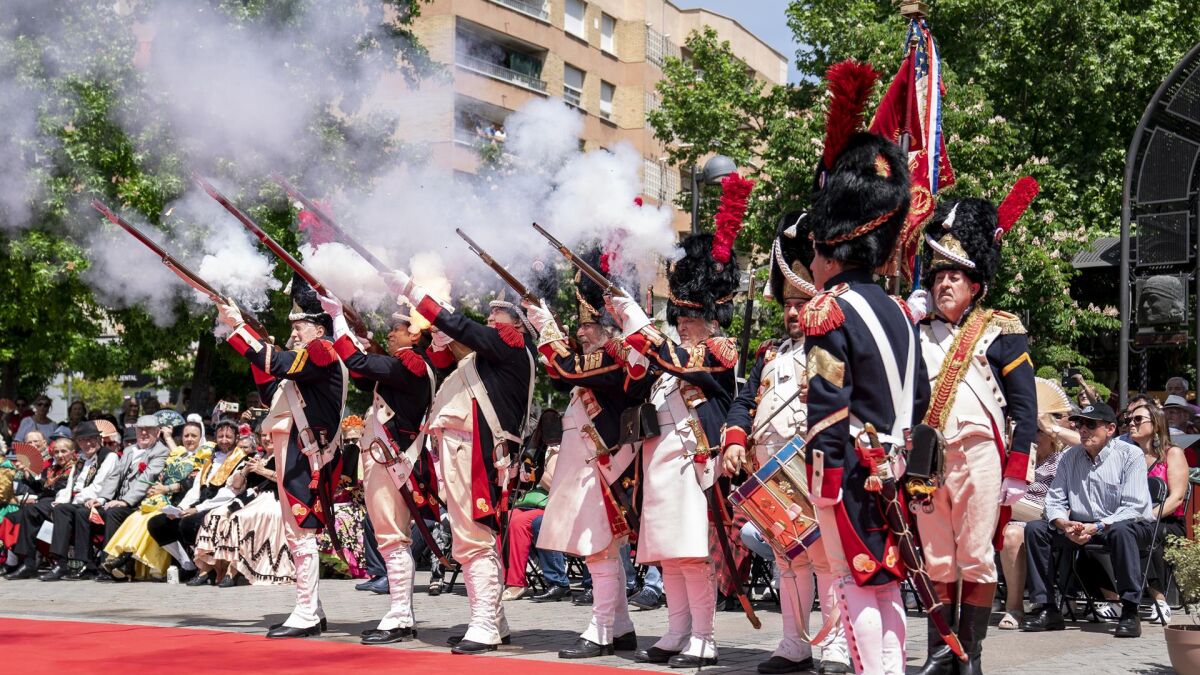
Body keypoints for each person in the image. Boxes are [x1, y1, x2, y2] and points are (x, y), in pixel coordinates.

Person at [800, 61, 929, 675]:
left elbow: (827, 404)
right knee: (887, 583)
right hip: (896, 465)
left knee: (853, 584)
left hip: (850, 470)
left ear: (832, 251)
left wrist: (823, 478)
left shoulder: (828, 310)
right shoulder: (901, 312)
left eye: (815, 253)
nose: (811, 266)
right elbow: (920, 396)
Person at [905, 178, 1040, 675]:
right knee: (937, 557)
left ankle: (971, 654)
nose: (944, 284)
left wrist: (1018, 468)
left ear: (975, 285)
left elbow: (1025, 407)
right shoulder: (914, 331)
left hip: (980, 454)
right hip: (928, 458)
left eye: (955, 277)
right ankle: (942, 652)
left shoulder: (1000, 329)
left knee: (977, 556)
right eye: (939, 275)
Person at [608, 224, 744, 669]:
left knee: (692, 555)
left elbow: (681, 361)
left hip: (695, 466)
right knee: (670, 555)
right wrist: (629, 337)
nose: (682, 324)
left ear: (711, 319)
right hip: (661, 467)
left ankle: (704, 637)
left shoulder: (719, 350)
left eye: (690, 319)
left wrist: (638, 323)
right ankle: (677, 630)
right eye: (679, 319)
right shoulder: (669, 362)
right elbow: (635, 385)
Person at [721, 211, 851, 675]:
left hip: (809, 465)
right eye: (789, 305)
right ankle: (794, 643)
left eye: (802, 303)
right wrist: (734, 439)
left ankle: (836, 646)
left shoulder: (829, 349)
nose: (794, 313)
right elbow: (743, 403)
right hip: (769, 470)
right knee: (787, 560)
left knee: (826, 560)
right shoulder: (770, 353)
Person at [387, 270, 537, 655]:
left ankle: (484, 623)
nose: (490, 320)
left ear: (516, 325)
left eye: (497, 316)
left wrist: (414, 292)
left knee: (474, 538)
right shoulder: (486, 360)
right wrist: (443, 335)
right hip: (465, 451)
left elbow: (466, 330)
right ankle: (493, 620)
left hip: (478, 452)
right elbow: (448, 362)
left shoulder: (511, 344)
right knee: (472, 536)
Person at [524, 249, 651, 659]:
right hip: (592, 465)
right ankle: (622, 626)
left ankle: (600, 630)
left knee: (599, 547)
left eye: (589, 325)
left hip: (609, 463)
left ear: (609, 327)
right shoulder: (597, 358)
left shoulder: (616, 355)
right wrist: (542, 319)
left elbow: (568, 367)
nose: (581, 332)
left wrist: (545, 325)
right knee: (601, 547)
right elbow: (562, 372)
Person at [216, 274, 347, 639]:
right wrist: (256, 341)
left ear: (319, 329)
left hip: (307, 457)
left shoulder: (322, 353)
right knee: (296, 534)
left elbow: (274, 362)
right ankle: (311, 608)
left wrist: (239, 328)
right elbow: (269, 391)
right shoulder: (306, 363)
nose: (294, 332)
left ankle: (305, 612)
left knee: (301, 534)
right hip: (297, 455)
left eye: (300, 326)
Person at [325, 297, 436, 645]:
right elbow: (363, 377)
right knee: (392, 538)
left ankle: (400, 617)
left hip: (391, 460)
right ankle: (401, 614)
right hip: (390, 460)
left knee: (391, 539)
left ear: (414, 335)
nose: (390, 333)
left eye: (397, 329)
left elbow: (355, 361)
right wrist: (362, 337)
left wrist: (338, 320)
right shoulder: (404, 365)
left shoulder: (410, 363)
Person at [1020, 402, 1154, 638]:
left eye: (1090, 425)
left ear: (1110, 429)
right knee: (1035, 529)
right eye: (1079, 424)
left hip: (1125, 523)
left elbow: (1133, 507)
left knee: (1122, 531)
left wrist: (1098, 526)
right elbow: (1054, 500)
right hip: (1080, 525)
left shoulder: (1130, 455)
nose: (1082, 429)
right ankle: (1047, 608)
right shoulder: (1069, 456)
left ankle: (1130, 610)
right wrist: (1063, 523)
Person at [998, 378, 1071, 629]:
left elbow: (1086, 444)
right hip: (1011, 512)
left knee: (1012, 534)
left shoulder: (1063, 458)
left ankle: (1014, 608)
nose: (1033, 436)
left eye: (1038, 431)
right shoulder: (1018, 455)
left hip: (1045, 516)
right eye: (1029, 431)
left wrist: (1050, 426)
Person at [101, 420, 208, 580]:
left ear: (201, 437)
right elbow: (165, 473)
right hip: (164, 499)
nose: (189, 439)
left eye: (194, 436)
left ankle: (126, 561)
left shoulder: (205, 456)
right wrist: (157, 487)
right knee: (136, 517)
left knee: (151, 519)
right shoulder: (180, 454)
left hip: (185, 501)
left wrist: (167, 488)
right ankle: (124, 560)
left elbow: (193, 482)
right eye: (186, 436)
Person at [7, 425, 117, 580]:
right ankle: (28, 562)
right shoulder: (82, 459)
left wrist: (68, 501)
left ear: (99, 439)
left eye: (91, 439)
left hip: (93, 501)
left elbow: (97, 487)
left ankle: (61, 563)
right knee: (30, 510)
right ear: (78, 443)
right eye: (83, 440)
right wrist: (60, 501)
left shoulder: (108, 456)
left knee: (61, 510)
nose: (87, 443)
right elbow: (70, 485)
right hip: (72, 500)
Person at [1114, 401, 1188, 624]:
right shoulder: (1128, 455)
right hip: (1133, 519)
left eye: (1138, 419)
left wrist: (1147, 516)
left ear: (1156, 424)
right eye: (1128, 420)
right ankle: (1112, 600)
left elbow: (1176, 498)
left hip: (1167, 521)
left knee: (1144, 532)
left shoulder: (1172, 453)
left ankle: (1160, 601)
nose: (1131, 424)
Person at [146, 419, 246, 582]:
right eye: (220, 436)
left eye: (228, 437)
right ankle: (188, 564)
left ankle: (207, 567)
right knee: (158, 523)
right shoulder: (211, 458)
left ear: (236, 438)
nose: (224, 440)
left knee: (188, 523)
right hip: (201, 501)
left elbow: (229, 493)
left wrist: (197, 509)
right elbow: (195, 489)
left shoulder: (241, 459)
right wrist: (179, 508)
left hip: (220, 505)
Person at [191, 427, 261, 586]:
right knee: (215, 515)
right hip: (239, 497)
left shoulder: (259, 458)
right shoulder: (243, 462)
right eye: (240, 448)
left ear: (253, 448)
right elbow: (235, 485)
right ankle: (208, 568)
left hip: (257, 497)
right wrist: (244, 470)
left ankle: (231, 570)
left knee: (235, 519)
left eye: (245, 448)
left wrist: (259, 469)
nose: (242, 451)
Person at [2, 438, 76, 573]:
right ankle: (16, 561)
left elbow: (59, 489)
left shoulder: (75, 467)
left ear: (72, 452)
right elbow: (42, 487)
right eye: (56, 452)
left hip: (62, 502)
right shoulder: (54, 468)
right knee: (13, 516)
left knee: (29, 511)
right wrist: (27, 473)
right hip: (45, 500)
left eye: (63, 451)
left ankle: (29, 562)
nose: (59, 455)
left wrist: (38, 496)